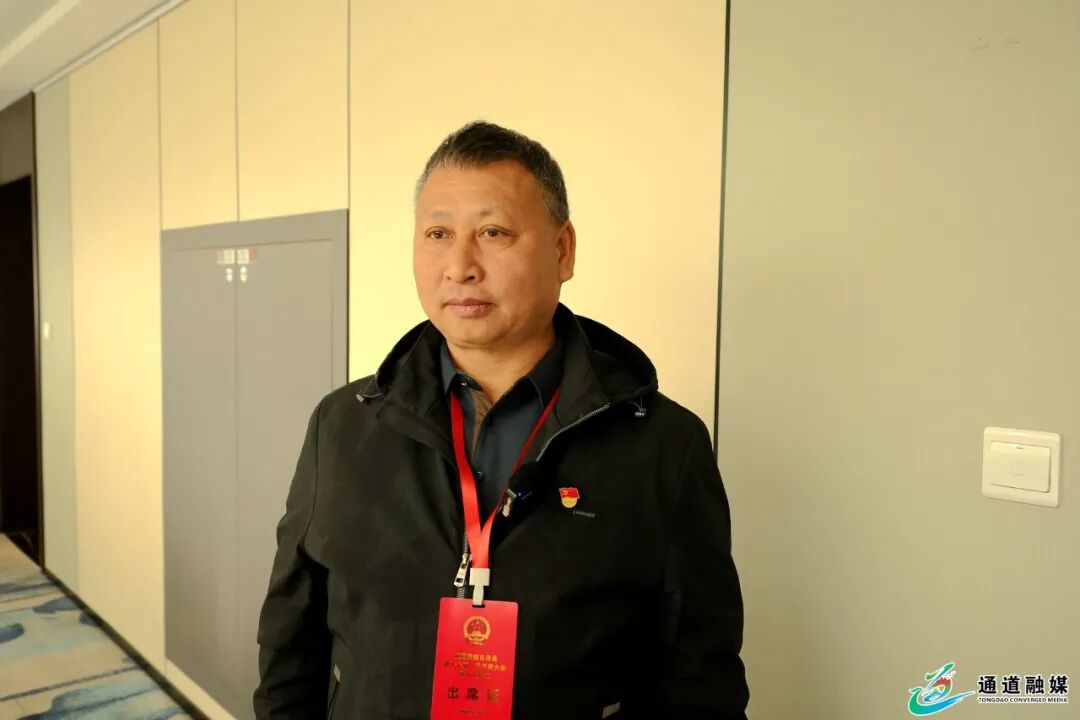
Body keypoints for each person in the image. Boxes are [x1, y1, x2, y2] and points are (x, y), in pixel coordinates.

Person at [253, 121, 748, 719]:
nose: (460, 266)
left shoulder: (662, 444)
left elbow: (700, 681)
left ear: (562, 250)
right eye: (438, 233)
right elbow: (291, 638)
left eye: (493, 232)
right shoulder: (343, 425)